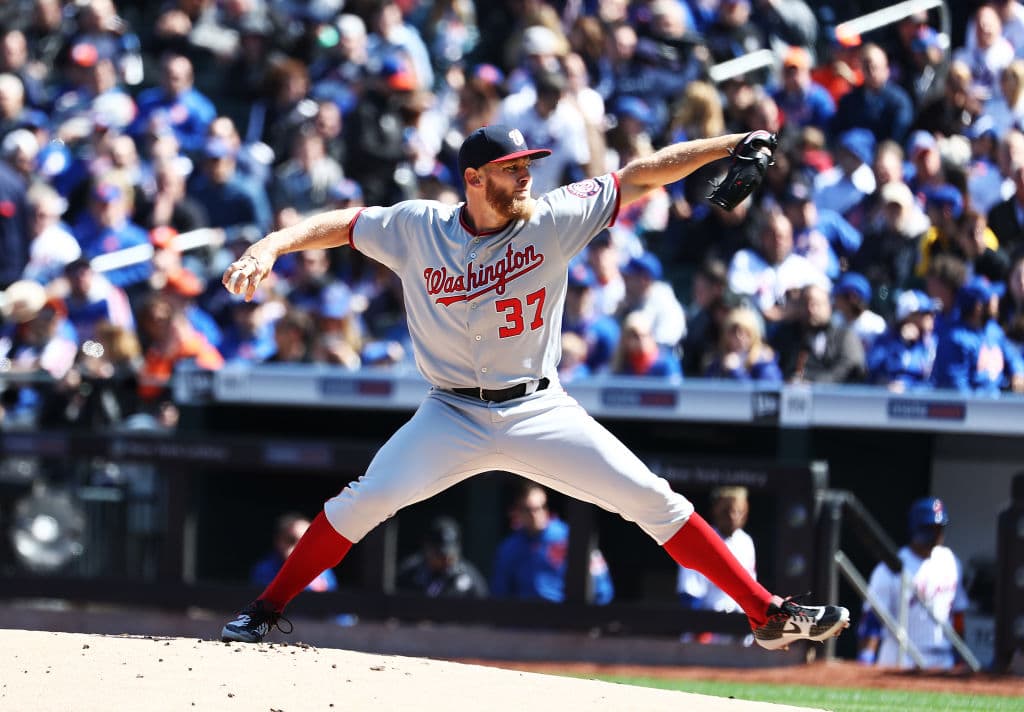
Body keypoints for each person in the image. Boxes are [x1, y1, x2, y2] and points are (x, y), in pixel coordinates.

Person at [217, 123, 849, 649]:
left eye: (528, 164)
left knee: (654, 501)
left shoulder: (553, 218)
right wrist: (274, 244)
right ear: (474, 178)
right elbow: (344, 223)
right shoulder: (418, 227)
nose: (526, 175)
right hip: (450, 414)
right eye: (511, 166)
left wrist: (729, 142)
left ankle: (767, 613)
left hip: (539, 407)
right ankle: (265, 610)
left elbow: (641, 174)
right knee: (361, 502)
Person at [858, 497, 968, 670]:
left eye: (940, 528)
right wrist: (866, 657)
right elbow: (873, 619)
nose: (937, 534)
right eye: (931, 528)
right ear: (916, 528)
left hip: (943, 659)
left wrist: (960, 655)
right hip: (901, 657)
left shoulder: (951, 561)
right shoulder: (891, 567)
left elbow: (958, 614)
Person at [491, 483, 613, 604]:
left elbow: (602, 588)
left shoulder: (570, 539)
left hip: (566, 616)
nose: (535, 514)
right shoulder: (510, 547)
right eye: (528, 509)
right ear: (517, 511)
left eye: (541, 507)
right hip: (524, 619)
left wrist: (586, 619)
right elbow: (500, 592)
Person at [677, 486, 757, 644]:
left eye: (739, 511)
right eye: (727, 511)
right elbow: (690, 593)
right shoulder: (700, 539)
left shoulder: (746, 542)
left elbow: (751, 590)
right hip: (705, 627)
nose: (733, 516)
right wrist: (700, 627)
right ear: (715, 510)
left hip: (738, 628)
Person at [396, 516, 488, 598]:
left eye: (450, 554)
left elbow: (484, 609)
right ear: (427, 547)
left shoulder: (469, 578)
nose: (446, 559)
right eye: (440, 554)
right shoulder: (409, 572)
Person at [251, 513, 337, 593]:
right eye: (291, 540)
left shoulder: (323, 571)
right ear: (277, 540)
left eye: (306, 542)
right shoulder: (265, 570)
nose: (298, 548)